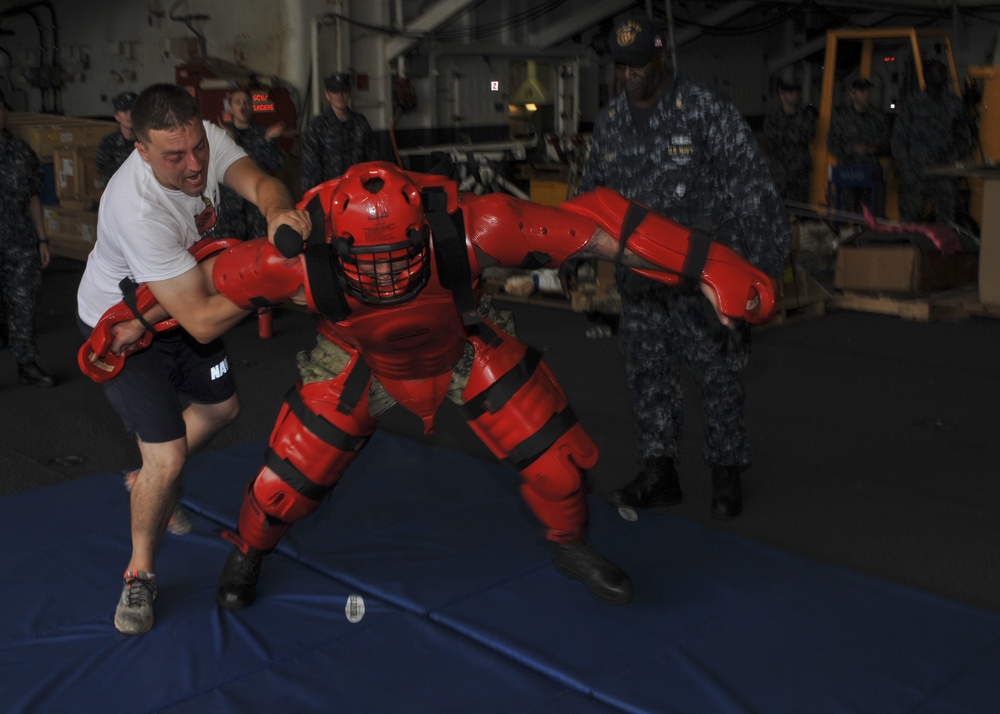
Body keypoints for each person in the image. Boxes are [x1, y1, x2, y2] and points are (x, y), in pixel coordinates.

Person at [81, 161, 778, 613]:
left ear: (427, 232)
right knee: (278, 489)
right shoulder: (295, 256)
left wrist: (714, 266)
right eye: (369, 262)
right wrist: (122, 326)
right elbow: (201, 282)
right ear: (337, 248)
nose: (385, 276)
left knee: (560, 465)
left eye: (399, 257)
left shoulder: (478, 227)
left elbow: (599, 228)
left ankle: (569, 540)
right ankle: (249, 552)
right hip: (354, 362)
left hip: (459, 345)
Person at [75, 83, 310, 636]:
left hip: (176, 297)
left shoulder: (204, 139)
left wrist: (279, 214)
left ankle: (142, 479)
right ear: (141, 150)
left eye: (197, 150)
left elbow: (259, 181)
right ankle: (140, 573)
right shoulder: (137, 208)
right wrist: (274, 279)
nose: (192, 165)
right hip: (123, 328)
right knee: (170, 460)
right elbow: (204, 319)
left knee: (222, 409)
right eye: (174, 158)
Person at [579, 9, 791, 521]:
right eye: (620, 67)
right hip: (641, 283)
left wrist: (761, 275)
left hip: (703, 282)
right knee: (647, 377)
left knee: (716, 378)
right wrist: (573, 252)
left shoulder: (704, 113)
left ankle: (725, 473)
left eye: (637, 65)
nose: (628, 76)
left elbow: (755, 192)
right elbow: (589, 194)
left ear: (661, 57)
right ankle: (660, 473)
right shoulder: (609, 124)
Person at [0, 89, 55, 388]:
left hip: (19, 243)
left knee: (22, 303)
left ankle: (26, 364)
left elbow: (34, 196)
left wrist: (42, 239)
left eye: (1, 108)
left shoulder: (20, 151)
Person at [890, 60, 972, 225]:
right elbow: (898, 140)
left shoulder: (954, 104)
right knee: (910, 224)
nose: (944, 76)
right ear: (927, 77)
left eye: (944, 72)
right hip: (917, 174)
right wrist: (907, 169)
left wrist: (955, 158)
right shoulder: (911, 105)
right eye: (939, 72)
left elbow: (964, 136)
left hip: (945, 175)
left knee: (947, 226)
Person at [218, 87, 287, 239]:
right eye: (237, 102)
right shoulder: (222, 135)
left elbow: (276, 163)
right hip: (231, 211)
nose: (243, 106)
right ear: (231, 107)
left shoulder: (265, 133)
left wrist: (267, 139)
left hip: (257, 209)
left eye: (247, 102)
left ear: (252, 107)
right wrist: (229, 140)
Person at [300, 72, 378, 193]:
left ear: (349, 93)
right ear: (327, 95)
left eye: (344, 91)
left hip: (359, 191)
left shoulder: (360, 122)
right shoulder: (318, 125)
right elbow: (310, 166)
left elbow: (372, 158)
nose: (340, 95)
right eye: (334, 92)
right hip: (330, 192)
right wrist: (313, 198)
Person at [827, 76, 891, 215]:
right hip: (847, 173)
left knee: (871, 215)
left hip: (871, 173)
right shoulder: (841, 117)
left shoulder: (879, 117)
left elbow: (887, 143)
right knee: (843, 215)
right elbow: (831, 144)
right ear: (852, 93)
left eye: (868, 91)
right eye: (861, 91)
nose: (866, 95)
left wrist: (875, 148)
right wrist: (852, 149)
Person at [763, 80, 817, 204]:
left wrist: (785, 135)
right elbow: (772, 141)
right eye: (790, 92)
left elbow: (808, 136)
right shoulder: (772, 118)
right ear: (782, 95)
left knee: (800, 211)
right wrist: (795, 135)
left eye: (796, 91)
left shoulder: (807, 116)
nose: (794, 94)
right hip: (779, 172)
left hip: (799, 173)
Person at [95, 91, 138, 185]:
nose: (129, 115)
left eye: (133, 110)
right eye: (125, 111)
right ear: (117, 116)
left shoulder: (147, 141)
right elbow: (104, 171)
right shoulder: (109, 143)